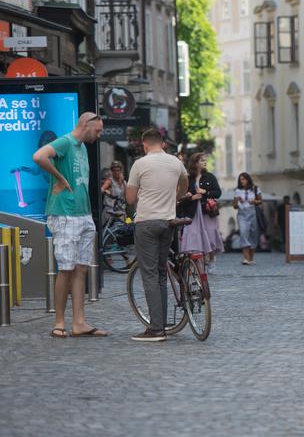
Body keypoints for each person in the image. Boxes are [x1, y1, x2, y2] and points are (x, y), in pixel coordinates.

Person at [32, 112, 108, 338]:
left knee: (81, 268)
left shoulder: (82, 147)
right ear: (86, 125)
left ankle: (79, 322)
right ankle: (59, 322)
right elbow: (39, 156)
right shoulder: (66, 142)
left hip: (83, 213)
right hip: (65, 213)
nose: (99, 135)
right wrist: (59, 178)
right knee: (66, 268)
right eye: (98, 130)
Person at [125, 128, 188, 342]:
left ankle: (156, 329)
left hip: (146, 223)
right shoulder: (175, 162)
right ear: (163, 143)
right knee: (161, 273)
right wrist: (175, 198)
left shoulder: (140, 164)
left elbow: (130, 198)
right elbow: (185, 183)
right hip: (167, 222)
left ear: (144, 145)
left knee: (150, 274)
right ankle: (161, 324)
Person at [177, 152, 224, 273]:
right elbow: (180, 197)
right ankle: (197, 264)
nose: (205, 162)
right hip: (192, 212)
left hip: (207, 211)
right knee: (194, 236)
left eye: (205, 160)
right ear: (195, 163)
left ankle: (211, 260)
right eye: (202, 160)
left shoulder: (210, 177)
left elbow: (218, 193)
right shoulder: (187, 178)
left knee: (210, 237)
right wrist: (191, 197)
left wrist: (205, 192)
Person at [233, 172, 263, 265]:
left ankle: (251, 258)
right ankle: (246, 258)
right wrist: (237, 200)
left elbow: (260, 201)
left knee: (253, 235)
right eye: (240, 179)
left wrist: (254, 201)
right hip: (242, 214)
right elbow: (234, 206)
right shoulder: (237, 191)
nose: (242, 181)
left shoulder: (255, 189)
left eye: (244, 179)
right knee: (243, 233)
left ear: (248, 179)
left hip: (252, 213)